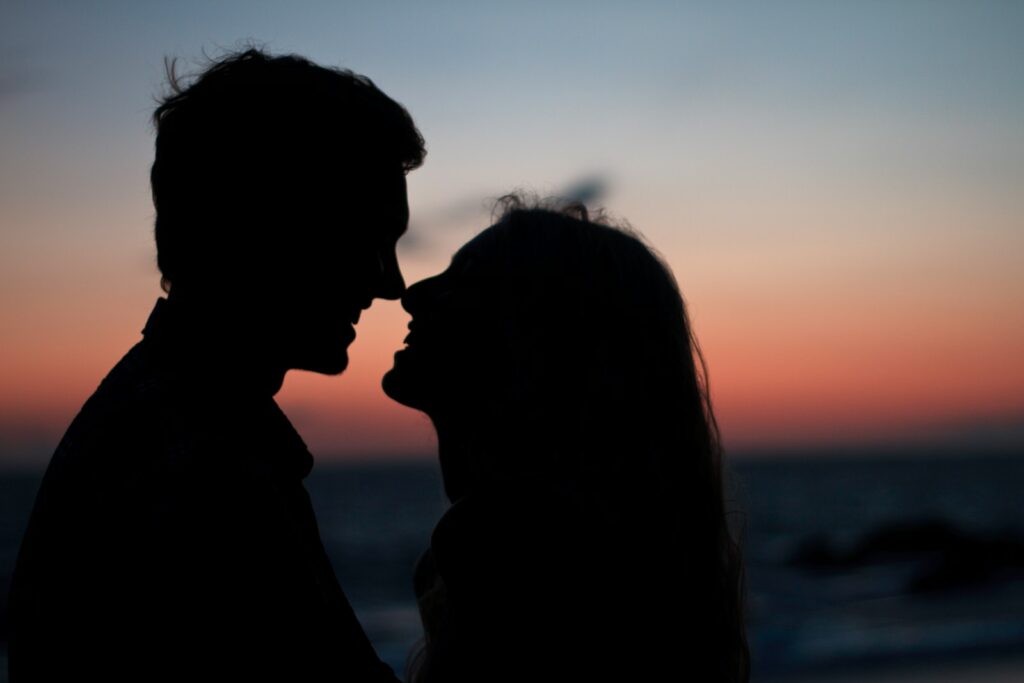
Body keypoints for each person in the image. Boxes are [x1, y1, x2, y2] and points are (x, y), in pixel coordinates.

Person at [9, 48, 425, 682]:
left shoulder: (178, 424)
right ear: (273, 225)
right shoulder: (193, 465)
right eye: (368, 240)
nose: (390, 284)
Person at [383, 197, 749, 682]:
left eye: (465, 277)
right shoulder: (624, 553)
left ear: (541, 336)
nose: (415, 295)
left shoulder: (507, 549)